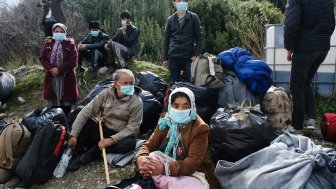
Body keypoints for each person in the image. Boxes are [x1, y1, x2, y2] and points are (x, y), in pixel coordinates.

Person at [134, 87, 220, 189]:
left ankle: (159, 181)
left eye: (185, 106)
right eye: (176, 106)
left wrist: (164, 169)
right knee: (152, 157)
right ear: (170, 106)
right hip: (166, 162)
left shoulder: (200, 128)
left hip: (190, 172)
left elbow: (192, 163)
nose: (180, 110)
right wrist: (140, 158)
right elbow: (149, 145)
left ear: (192, 107)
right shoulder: (165, 120)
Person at [67, 69, 143, 171]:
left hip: (121, 135)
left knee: (129, 144)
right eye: (125, 83)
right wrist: (73, 135)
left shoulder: (137, 102)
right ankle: (78, 151)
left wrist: (112, 140)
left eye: (131, 83)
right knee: (81, 114)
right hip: (104, 129)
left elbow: (133, 128)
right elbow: (87, 111)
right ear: (116, 84)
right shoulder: (106, 93)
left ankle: (91, 153)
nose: (129, 86)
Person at [284, 0, 335, 134]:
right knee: (306, 83)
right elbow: (332, 23)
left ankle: (296, 126)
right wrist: (321, 40)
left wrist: (289, 48)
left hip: (305, 48)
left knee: (296, 85)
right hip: (323, 47)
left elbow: (291, 24)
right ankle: (311, 119)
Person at [39, 23, 79, 116]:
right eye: (56, 31)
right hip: (52, 76)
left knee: (66, 105)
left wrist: (59, 69)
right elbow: (42, 58)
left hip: (66, 76)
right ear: (53, 32)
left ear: (65, 32)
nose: (58, 33)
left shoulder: (70, 44)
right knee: (53, 106)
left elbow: (73, 61)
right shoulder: (48, 43)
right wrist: (51, 68)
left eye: (61, 31)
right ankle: (56, 126)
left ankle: (66, 124)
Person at [162, 0, 203, 83]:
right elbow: (166, 40)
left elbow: (199, 38)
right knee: (175, 83)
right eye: (178, 0)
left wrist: (196, 55)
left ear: (187, 2)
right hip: (173, 57)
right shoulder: (170, 19)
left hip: (188, 57)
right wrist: (165, 58)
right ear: (174, 3)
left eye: (184, 0)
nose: (181, 2)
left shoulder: (194, 17)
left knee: (191, 83)